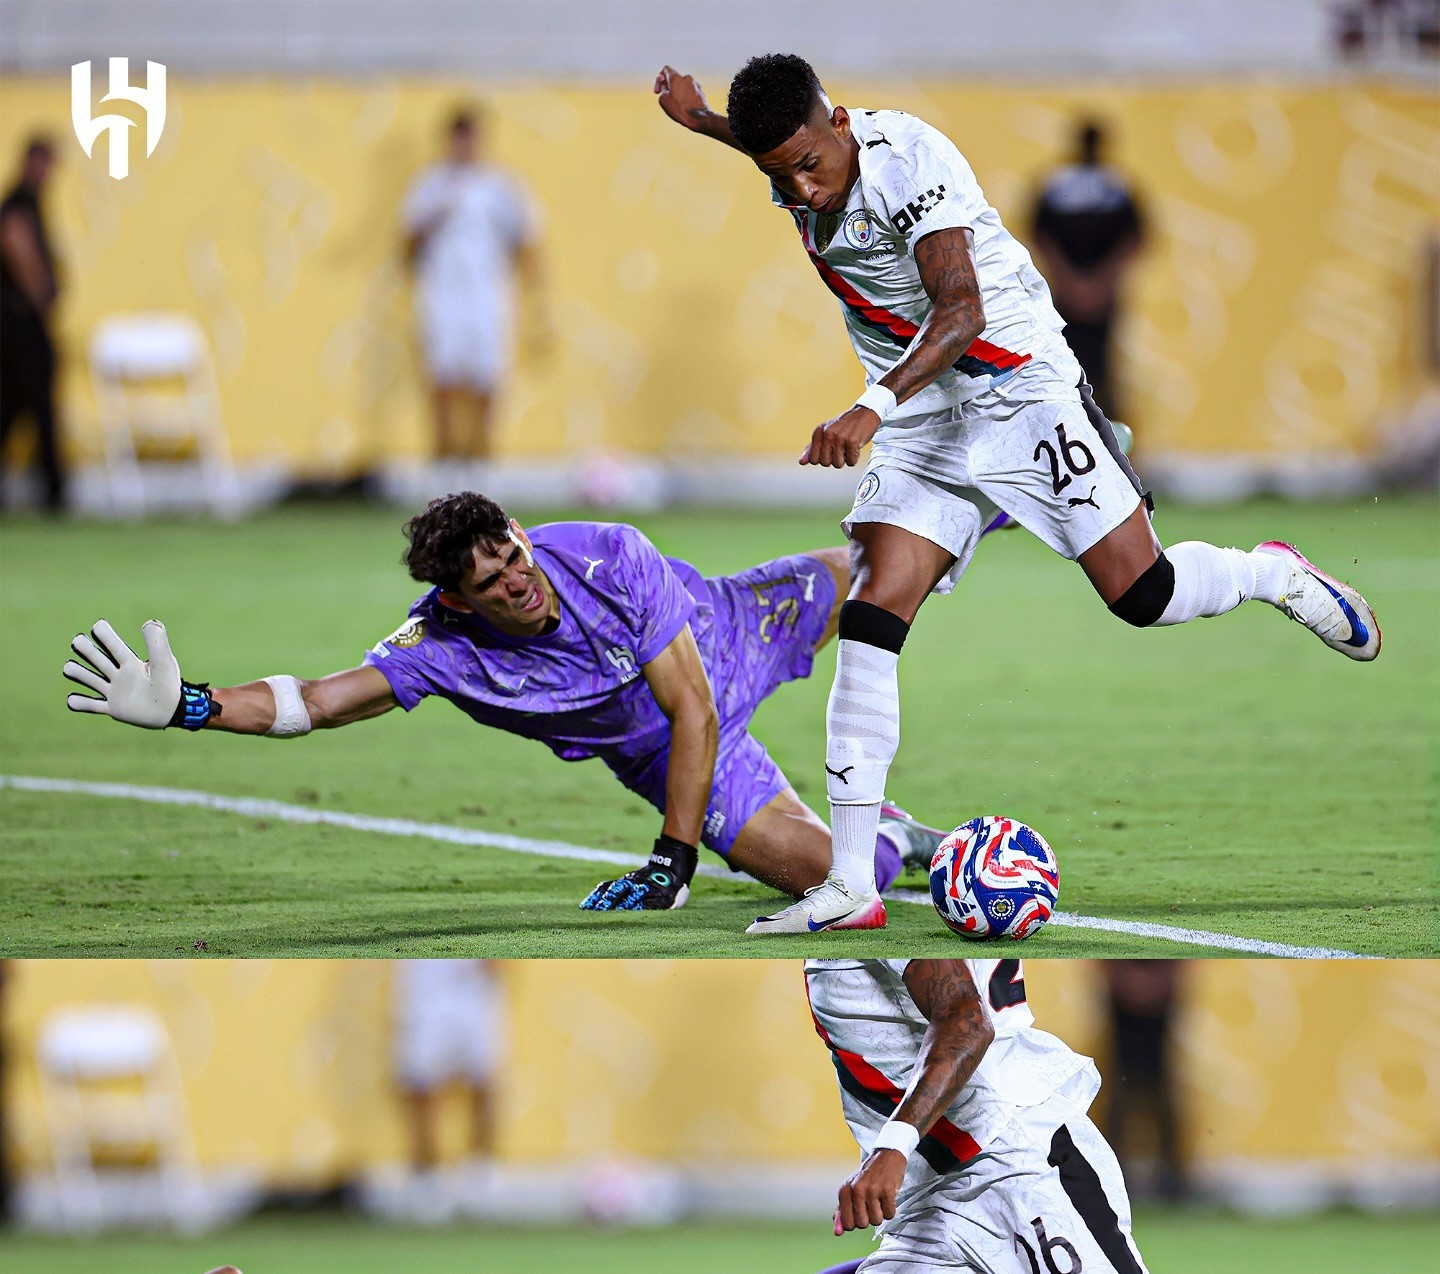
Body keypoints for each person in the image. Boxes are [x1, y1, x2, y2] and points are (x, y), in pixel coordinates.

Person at [655, 55, 1381, 934]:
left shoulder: (909, 165)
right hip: (927, 412)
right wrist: (702, 122)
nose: (803, 189)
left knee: (1142, 596)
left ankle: (1270, 574)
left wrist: (867, 407)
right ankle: (850, 883)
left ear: (839, 122)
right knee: (875, 606)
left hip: (1018, 388)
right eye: (783, 174)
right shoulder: (796, 157)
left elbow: (961, 310)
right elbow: (772, 145)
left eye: (811, 163)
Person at [61, 491, 948, 917]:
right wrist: (193, 705)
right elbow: (321, 702)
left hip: (720, 632)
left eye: (515, 558)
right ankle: (903, 837)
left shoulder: (609, 552)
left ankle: (1030, 485)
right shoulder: (442, 650)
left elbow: (697, 710)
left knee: (896, 551)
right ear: (456, 601)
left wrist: (670, 866)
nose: (518, 583)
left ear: (521, 535)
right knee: (844, 885)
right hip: (659, 751)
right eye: (492, 583)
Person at [808, 958, 1149, 1273]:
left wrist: (894, 1145)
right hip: (928, 1199)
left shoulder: (880, 915)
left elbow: (965, 1021)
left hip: (1015, 1160)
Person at [402, 107, 548, 468]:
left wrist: (534, 296)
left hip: (488, 293)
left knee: (488, 375)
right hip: (443, 294)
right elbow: (407, 246)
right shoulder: (430, 186)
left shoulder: (500, 187)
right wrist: (435, 219)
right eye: (458, 137)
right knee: (444, 373)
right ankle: (443, 455)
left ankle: (482, 455)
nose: (464, 145)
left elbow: (525, 239)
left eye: (470, 137)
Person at [1028, 120, 1144, 418]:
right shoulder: (1111, 185)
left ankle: (1104, 441)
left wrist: (1081, 283)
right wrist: (1088, 283)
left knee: (1095, 368)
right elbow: (1041, 236)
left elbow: (1132, 240)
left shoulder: (1101, 184)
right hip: (1082, 293)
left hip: (1083, 292)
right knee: (1069, 367)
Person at [0, 136, 64, 514]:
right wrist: (41, 296)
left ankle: (53, 489)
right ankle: (55, 492)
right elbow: (16, 243)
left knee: (15, 404)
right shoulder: (19, 202)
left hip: (19, 320)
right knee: (36, 402)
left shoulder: (32, 201)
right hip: (19, 321)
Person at [393, 959, 503, 1171]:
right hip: (425, 981)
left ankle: (481, 1168)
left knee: (484, 1076)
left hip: (475, 986)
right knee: (420, 1080)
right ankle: (427, 1171)